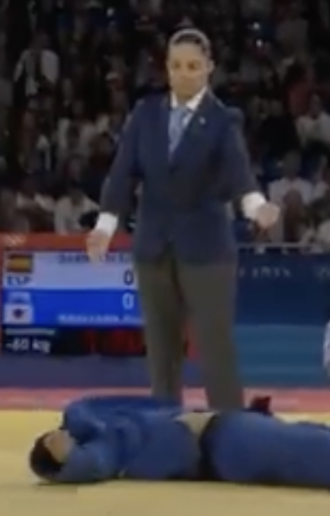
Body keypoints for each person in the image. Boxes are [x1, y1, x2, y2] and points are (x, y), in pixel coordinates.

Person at [86, 28, 280, 409]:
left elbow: (238, 172)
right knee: (161, 351)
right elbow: (123, 173)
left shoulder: (223, 120)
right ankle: (165, 428)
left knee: (215, 349)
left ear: (209, 68)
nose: (184, 74)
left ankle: (230, 429)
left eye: (193, 66)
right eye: (176, 66)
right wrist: (104, 227)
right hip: (153, 247)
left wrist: (256, 207)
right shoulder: (146, 114)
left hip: (206, 250)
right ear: (167, 69)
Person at [28, 394, 330, 497]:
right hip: (224, 444)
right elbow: (89, 465)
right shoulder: (107, 449)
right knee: (313, 450)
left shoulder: (103, 422)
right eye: (55, 445)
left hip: (234, 424)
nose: (59, 436)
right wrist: (68, 462)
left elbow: (79, 408)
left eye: (53, 435)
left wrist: (73, 424)